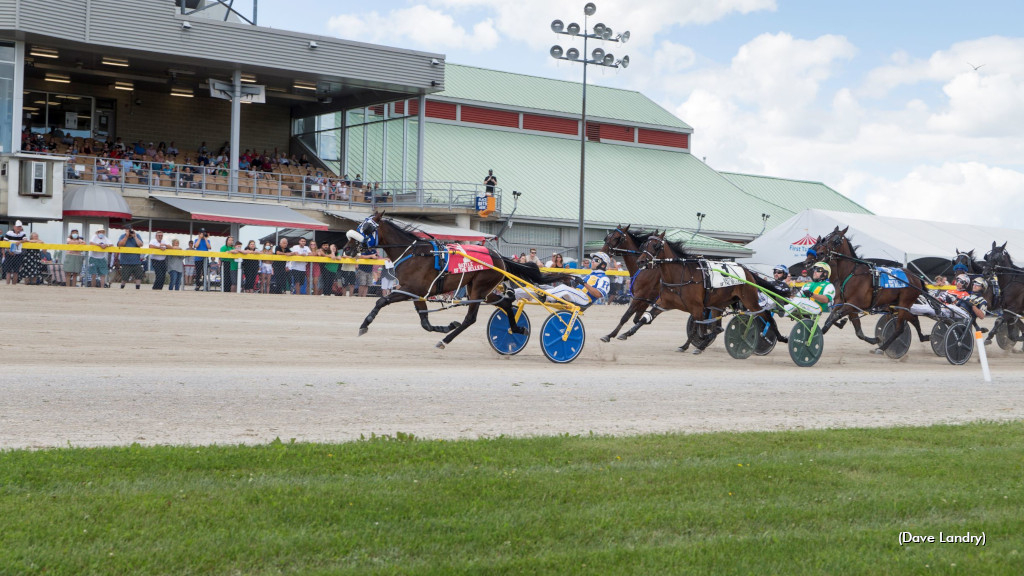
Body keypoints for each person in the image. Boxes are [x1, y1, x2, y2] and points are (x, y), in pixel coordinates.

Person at [512, 251, 612, 306]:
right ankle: (514, 293)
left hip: (585, 299)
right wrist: (573, 283)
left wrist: (584, 283)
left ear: (603, 265)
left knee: (563, 288)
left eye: (596, 260)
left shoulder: (604, 279)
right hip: (575, 294)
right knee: (543, 287)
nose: (592, 261)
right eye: (592, 259)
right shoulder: (590, 274)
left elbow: (599, 294)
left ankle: (546, 296)